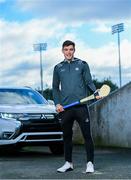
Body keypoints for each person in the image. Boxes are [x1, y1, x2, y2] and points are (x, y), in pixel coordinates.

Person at [52, 40, 101, 173]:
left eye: (71, 49)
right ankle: (68, 163)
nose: (69, 52)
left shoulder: (82, 64)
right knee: (67, 136)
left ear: (74, 50)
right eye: (66, 49)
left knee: (87, 136)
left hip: (81, 106)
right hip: (65, 108)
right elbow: (55, 88)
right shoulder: (58, 68)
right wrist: (57, 103)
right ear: (62, 51)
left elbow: (89, 81)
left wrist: (95, 92)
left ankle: (90, 163)